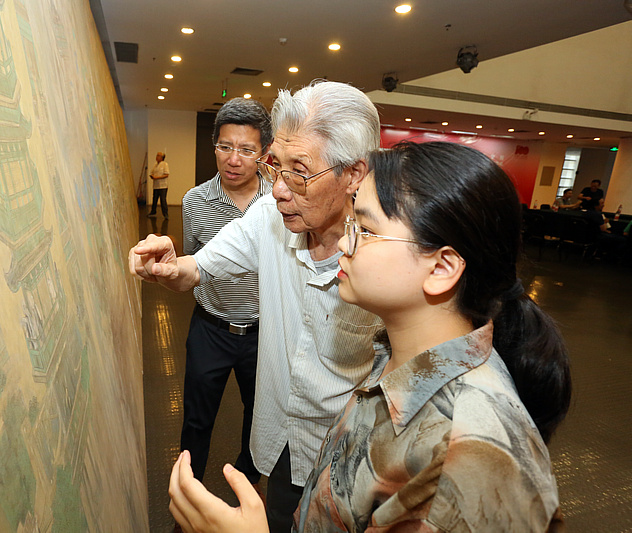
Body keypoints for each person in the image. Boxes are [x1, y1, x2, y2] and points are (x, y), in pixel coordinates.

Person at [167, 142, 571, 532]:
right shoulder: (392, 357)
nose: (344, 241)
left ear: (442, 267)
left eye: (365, 228)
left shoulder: (471, 457)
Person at [130, 80, 383, 532]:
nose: (280, 190)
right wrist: (171, 265)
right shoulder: (269, 218)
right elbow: (197, 268)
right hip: (285, 442)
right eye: (276, 167)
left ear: (353, 175)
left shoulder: (387, 256)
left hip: (353, 459)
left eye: (299, 171)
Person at [179, 98, 273, 497]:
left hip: (265, 334)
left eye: (246, 150)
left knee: (260, 419)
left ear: (263, 154)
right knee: (196, 422)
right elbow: (192, 263)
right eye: (224, 147)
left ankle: (247, 491)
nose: (233, 160)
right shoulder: (194, 202)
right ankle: (188, 494)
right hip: (211, 328)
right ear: (214, 146)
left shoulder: (279, 202)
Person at [149, 151, 170, 218]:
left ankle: (165, 214)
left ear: (162, 158)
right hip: (156, 186)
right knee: (154, 199)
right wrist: (152, 176)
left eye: (158, 155)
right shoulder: (155, 165)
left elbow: (166, 174)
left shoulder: (165, 164)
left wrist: (157, 177)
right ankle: (153, 211)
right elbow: (152, 172)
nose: (157, 157)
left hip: (163, 186)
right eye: (157, 155)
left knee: (163, 200)